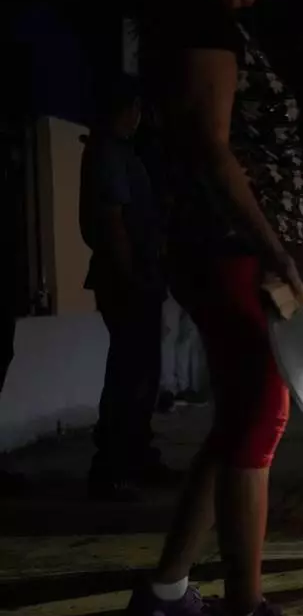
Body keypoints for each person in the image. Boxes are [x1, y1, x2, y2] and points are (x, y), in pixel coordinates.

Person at [129, 0, 303, 616]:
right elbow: (214, 149)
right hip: (227, 247)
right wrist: (274, 246)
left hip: (221, 245)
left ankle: (168, 591)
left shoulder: (200, 18)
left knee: (239, 416)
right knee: (262, 409)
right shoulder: (201, 18)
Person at [78, 74, 178, 500]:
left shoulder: (122, 152)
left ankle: (134, 455)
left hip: (139, 273)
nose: (139, 116)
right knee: (129, 371)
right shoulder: (107, 151)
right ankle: (114, 463)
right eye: (135, 107)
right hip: (128, 276)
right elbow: (112, 219)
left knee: (141, 370)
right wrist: (130, 273)